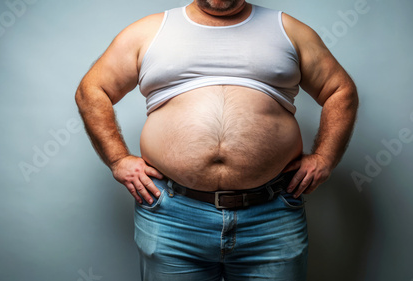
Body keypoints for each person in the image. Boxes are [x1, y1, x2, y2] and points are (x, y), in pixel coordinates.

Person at [75, 0, 358, 280]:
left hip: (271, 215)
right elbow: (93, 90)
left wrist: (325, 157)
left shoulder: (288, 31)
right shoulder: (150, 31)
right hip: (173, 214)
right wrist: (118, 159)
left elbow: (339, 90)